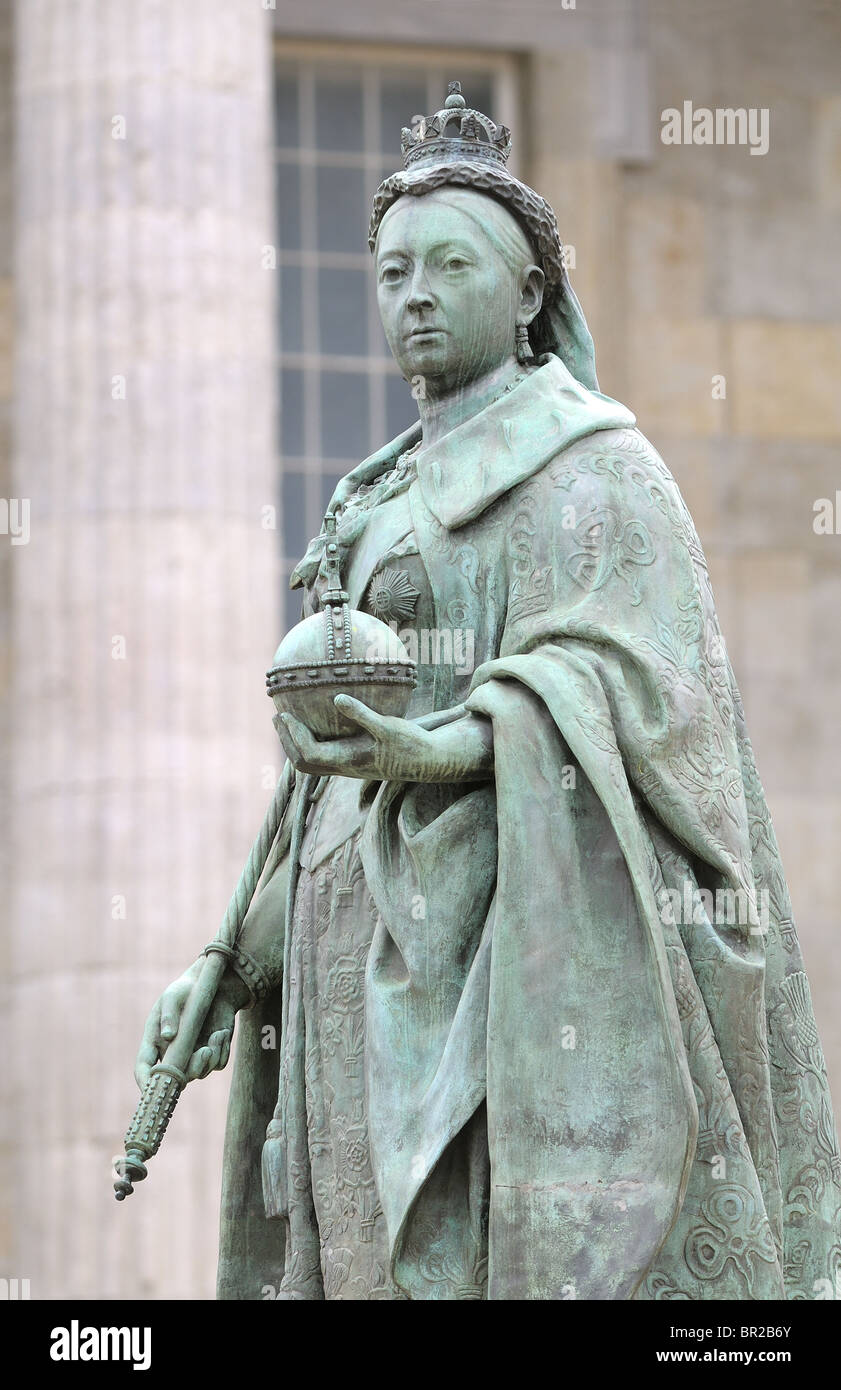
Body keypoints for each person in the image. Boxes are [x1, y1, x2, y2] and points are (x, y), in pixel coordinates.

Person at [136, 84, 841, 1301]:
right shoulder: (370, 498)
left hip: (501, 973)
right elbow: (319, 790)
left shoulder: (594, 465)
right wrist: (234, 955)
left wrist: (454, 743)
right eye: (393, 268)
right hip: (346, 969)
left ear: (526, 295)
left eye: (449, 266)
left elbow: (642, 699)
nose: (412, 292)